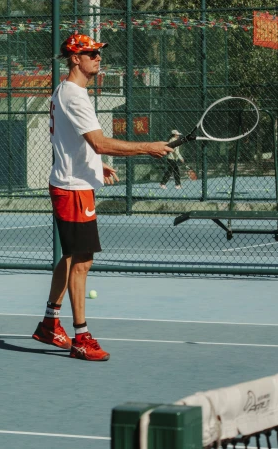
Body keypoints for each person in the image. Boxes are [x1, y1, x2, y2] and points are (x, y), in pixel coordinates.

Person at [32, 33, 173, 362]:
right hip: (73, 190)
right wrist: (147, 146)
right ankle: (81, 338)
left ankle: (50, 323)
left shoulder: (67, 91)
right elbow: (98, 142)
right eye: (91, 53)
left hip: (72, 183)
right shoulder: (75, 96)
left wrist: (97, 165)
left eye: (98, 52)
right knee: (82, 262)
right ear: (75, 59)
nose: (98, 57)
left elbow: (77, 143)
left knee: (71, 258)